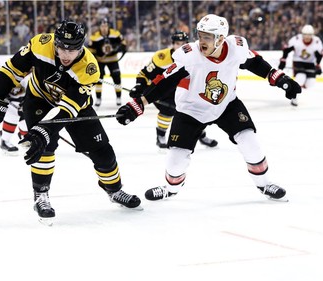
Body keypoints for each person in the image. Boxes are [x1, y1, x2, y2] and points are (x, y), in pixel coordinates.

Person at [116, 14, 301, 202]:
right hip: (191, 110)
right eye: (199, 35)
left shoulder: (236, 47)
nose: (201, 41)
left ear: (221, 38)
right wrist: (136, 106)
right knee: (176, 160)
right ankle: (171, 188)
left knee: (249, 141)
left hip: (226, 104)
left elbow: (256, 63)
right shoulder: (188, 54)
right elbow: (164, 81)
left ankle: (264, 184)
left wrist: (281, 79)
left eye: (207, 37)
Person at [0, 20, 141, 225]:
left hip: (74, 108)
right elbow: (11, 70)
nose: (66, 54)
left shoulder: (89, 69)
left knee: (102, 151)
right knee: (43, 149)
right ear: (55, 42)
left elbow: (68, 109)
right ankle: (41, 195)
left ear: (81, 46)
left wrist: (43, 130)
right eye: (62, 47)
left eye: (72, 49)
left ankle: (114, 190)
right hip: (38, 99)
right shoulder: (40, 44)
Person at [130, 30, 218, 149]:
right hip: (164, 92)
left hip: (186, 92)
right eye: (177, 43)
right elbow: (144, 74)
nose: (180, 46)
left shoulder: (196, 57)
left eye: (183, 43)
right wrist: (139, 86)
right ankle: (160, 136)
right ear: (172, 44)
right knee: (168, 109)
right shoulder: (161, 57)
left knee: (196, 113)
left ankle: (201, 135)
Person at [278, 24, 323, 106]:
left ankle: (295, 88)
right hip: (298, 62)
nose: (307, 37)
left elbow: (319, 55)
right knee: (300, 78)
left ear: (312, 35)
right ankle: (294, 97)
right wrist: (283, 61)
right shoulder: (296, 39)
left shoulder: (317, 41)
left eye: (309, 35)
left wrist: (317, 65)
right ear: (302, 34)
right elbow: (286, 50)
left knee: (310, 83)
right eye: (305, 34)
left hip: (310, 63)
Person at [87, 18, 127, 107]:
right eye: (102, 26)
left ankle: (118, 97)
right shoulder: (95, 37)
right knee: (98, 79)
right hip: (100, 61)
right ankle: (98, 98)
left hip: (113, 60)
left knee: (117, 78)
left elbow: (124, 44)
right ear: (99, 27)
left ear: (108, 26)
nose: (104, 28)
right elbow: (90, 51)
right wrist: (96, 56)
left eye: (105, 26)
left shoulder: (115, 34)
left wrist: (118, 48)